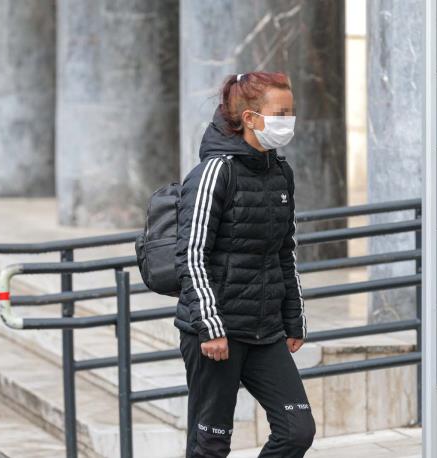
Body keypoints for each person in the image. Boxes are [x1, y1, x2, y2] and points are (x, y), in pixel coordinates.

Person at [173, 71, 316, 458]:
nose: (288, 121)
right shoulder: (214, 172)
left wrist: (293, 319)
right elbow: (192, 254)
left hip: (266, 330)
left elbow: (284, 251)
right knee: (210, 444)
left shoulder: (280, 172)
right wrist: (210, 328)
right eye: (280, 114)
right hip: (217, 332)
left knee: (297, 430)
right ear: (251, 118)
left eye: (291, 112)